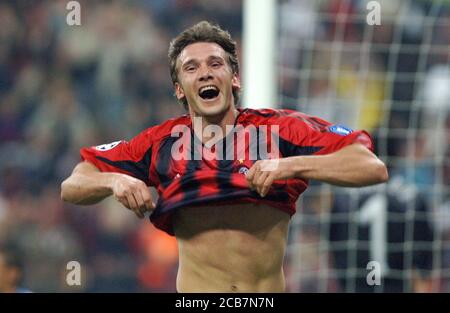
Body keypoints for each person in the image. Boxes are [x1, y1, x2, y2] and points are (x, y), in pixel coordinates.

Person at [61, 21, 388, 292]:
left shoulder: (280, 129)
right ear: (179, 88)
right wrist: (114, 180)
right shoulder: (159, 143)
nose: (205, 73)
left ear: (234, 79)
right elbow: (74, 184)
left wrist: (291, 164)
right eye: (191, 67)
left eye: (215, 64)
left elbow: (370, 166)